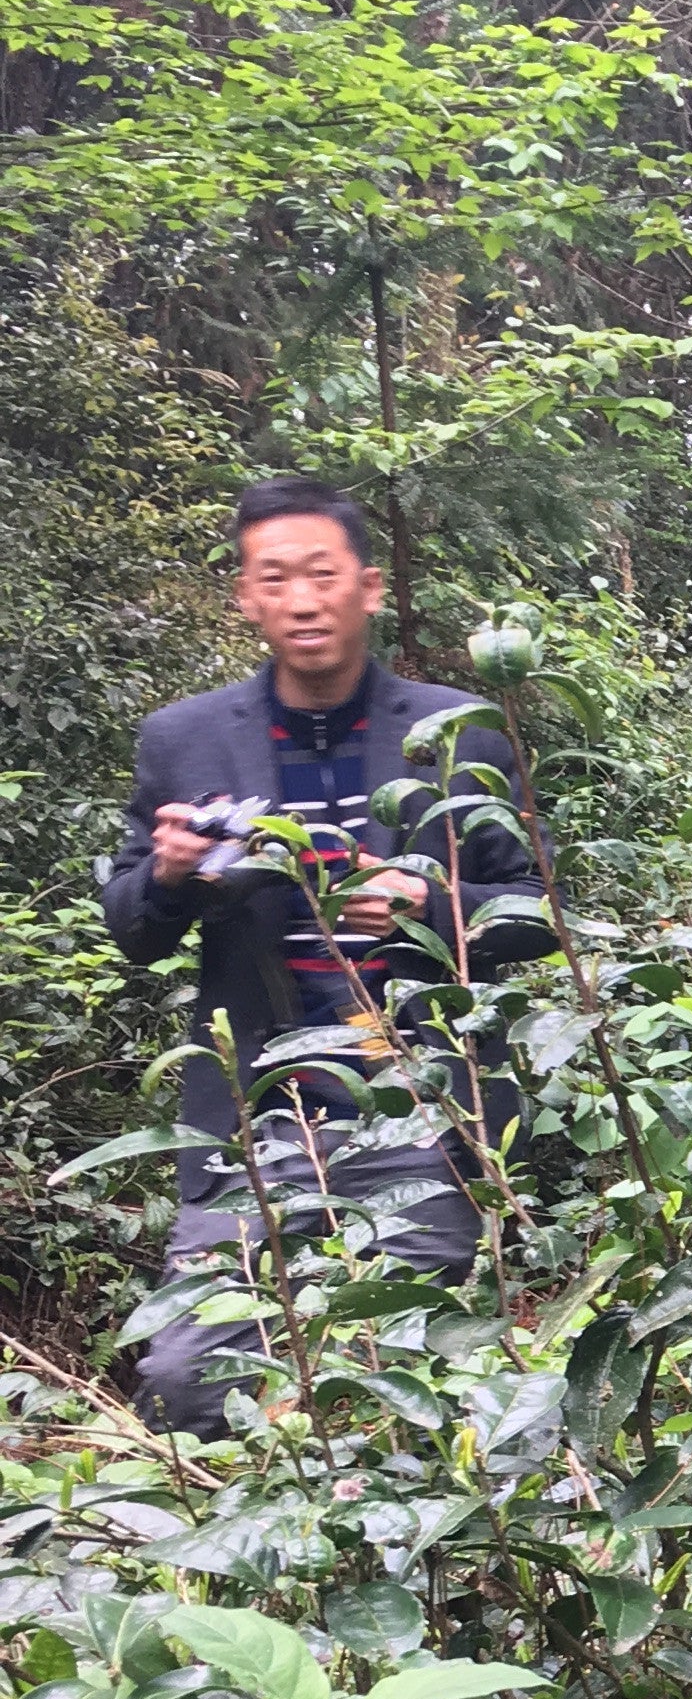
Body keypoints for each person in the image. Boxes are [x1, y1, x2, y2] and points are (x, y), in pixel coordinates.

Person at [103, 480, 554, 1433]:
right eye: (277, 579)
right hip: (257, 1125)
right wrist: (176, 873)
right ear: (246, 598)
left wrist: (429, 902)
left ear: (370, 588)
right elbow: (136, 933)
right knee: (187, 1383)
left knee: (412, 1388)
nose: (302, 600)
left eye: (322, 575)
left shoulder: (456, 731)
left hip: (424, 1112)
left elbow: (539, 915)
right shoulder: (184, 739)